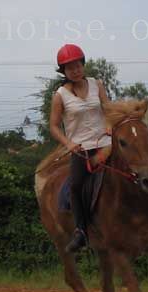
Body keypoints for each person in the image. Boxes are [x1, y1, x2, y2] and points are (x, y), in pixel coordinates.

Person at [49, 43, 112, 253]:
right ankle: (81, 231)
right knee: (76, 186)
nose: (75, 70)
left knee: (134, 168)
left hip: (105, 145)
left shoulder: (97, 84)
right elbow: (54, 126)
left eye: (77, 66)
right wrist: (68, 143)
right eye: (69, 68)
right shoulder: (60, 95)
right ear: (64, 71)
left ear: (83, 65)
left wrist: (110, 129)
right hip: (81, 149)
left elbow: (108, 110)